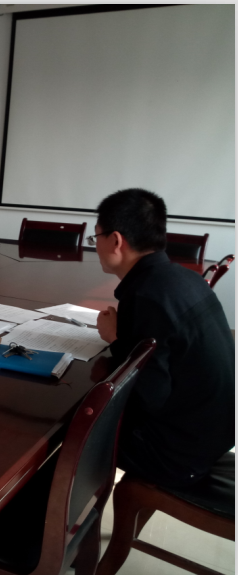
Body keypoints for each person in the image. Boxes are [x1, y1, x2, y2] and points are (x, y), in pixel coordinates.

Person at [93, 188, 234, 488]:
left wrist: (115, 338)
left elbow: (147, 398)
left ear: (116, 240)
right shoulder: (184, 278)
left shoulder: (146, 296)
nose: (95, 246)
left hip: (180, 455)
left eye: (96, 238)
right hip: (216, 432)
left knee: (73, 431)